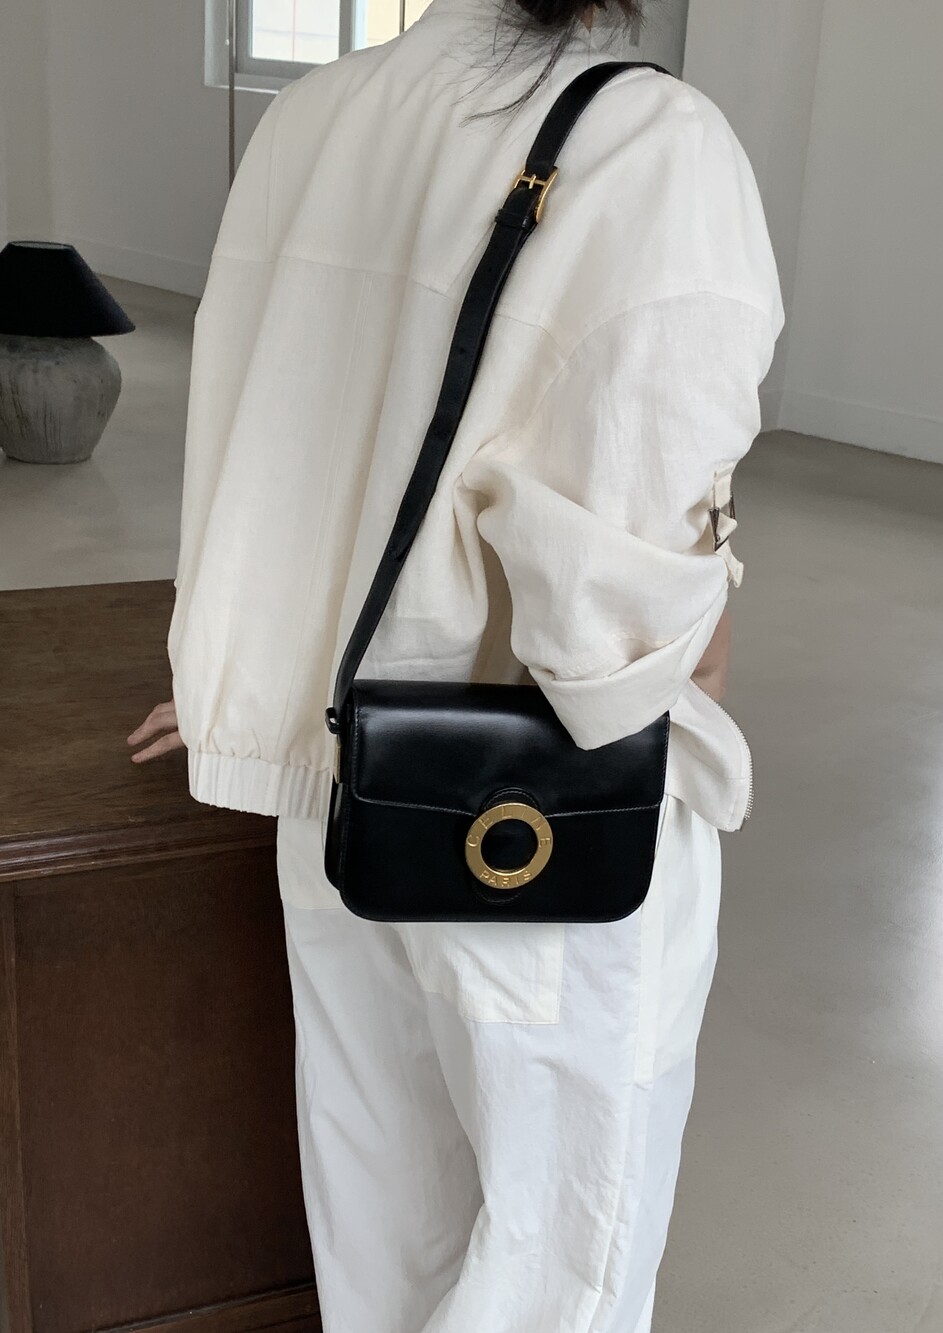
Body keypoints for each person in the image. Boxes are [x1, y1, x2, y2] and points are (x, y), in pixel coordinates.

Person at [128, 0, 784, 1326]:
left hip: (340, 790)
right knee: (555, 1274)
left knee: (381, 1242)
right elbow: (615, 631)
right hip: (540, 824)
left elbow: (264, 442)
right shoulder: (655, 144)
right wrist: (698, 637)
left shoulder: (312, 117)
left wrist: (240, 677)